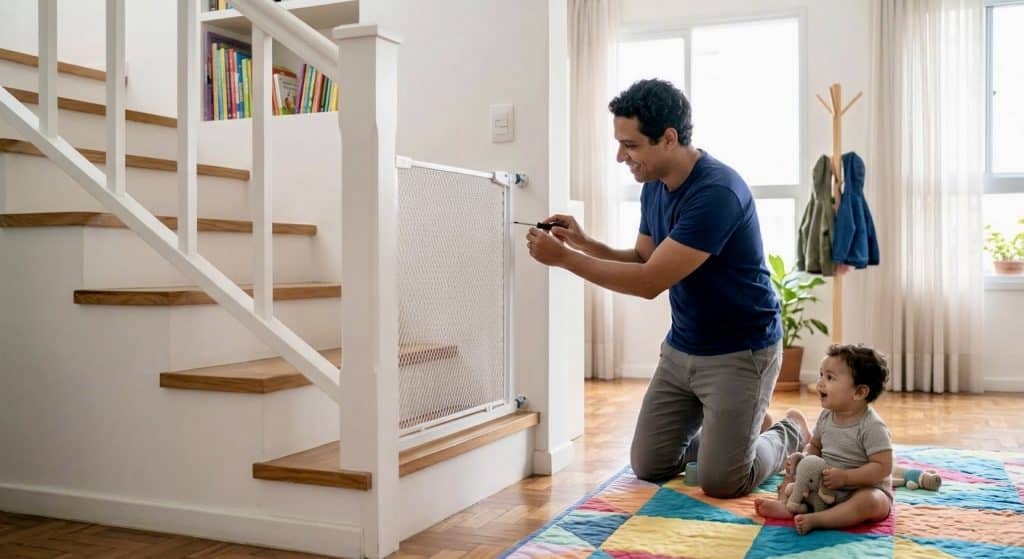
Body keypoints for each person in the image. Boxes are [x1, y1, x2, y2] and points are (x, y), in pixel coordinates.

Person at [526, 78, 807, 498]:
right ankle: (740, 432)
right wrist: (583, 243)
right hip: (682, 349)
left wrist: (564, 260)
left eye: (631, 145)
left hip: (740, 351)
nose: (621, 156)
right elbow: (644, 259)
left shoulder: (717, 193)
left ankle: (789, 430)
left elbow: (649, 283)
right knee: (649, 465)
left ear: (668, 139)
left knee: (722, 482)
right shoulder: (654, 186)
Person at [755, 344, 893, 535]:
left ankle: (820, 519)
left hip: (860, 489)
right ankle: (788, 505)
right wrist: (803, 459)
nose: (820, 383)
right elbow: (815, 445)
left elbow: (882, 467)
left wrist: (846, 478)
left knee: (870, 501)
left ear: (859, 392)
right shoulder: (826, 416)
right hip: (824, 489)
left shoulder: (872, 426)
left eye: (829, 378)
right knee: (794, 473)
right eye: (821, 375)